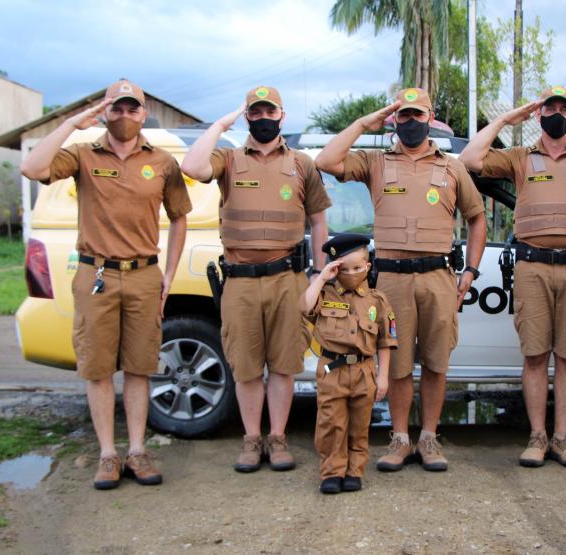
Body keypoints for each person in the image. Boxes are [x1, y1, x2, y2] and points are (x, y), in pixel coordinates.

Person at [21, 79, 192, 489]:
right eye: (117, 107)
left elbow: (180, 216)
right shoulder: (81, 154)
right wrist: (76, 122)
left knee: (138, 367)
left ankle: (136, 450)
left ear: (143, 111)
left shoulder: (163, 162)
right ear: (106, 111)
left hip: (144, 275)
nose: (125, 115)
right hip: (94, 273)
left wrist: (168, 275)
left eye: (132, 108)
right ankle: (107, 455)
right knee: (98, 369)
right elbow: (32, 167)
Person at [315, 87, 487, 472]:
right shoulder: (376, 162)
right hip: (391, 280)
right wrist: (365, 122)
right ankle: (400, 439)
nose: (411, 122)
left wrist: (471, 270)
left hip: (437, 278)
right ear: (394, 119)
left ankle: (428, 438)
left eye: (417, 115)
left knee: (436, 361)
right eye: (403, 116)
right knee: (397, 364)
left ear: (431, 118)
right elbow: (327, 160)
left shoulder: (452, 166)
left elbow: (477, 217)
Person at [459, 85, 566, 469]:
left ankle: (563, 439)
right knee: (534, 356)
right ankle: (537, 437)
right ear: (539, 114)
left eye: (564, 108)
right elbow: (469, 158)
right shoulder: (519, 158)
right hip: (531, 267)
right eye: (550, 107)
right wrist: (504, 119)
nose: (556, 113)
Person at [181, 86, 330, 472]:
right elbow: (192, 167)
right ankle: (251, 439)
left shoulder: (302, 164)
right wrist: (219, 124)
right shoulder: (228, 160)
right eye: (256, 112)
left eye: (270, 112)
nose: (264, 118)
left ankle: (277, 439)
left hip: (288, 279)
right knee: (246, 366)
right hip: (241, 281)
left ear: (282, 115)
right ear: (247, 117)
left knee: (283, 365)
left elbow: (317, 220)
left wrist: (317, 273)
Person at [300, 233, 397, 494]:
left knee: (359, 425)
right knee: (332, 423)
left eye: (358, 268)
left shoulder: (377, 300)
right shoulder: (325, 293)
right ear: (336, 267)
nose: (352, 273)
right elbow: (304, 307)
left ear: (368, 267)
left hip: (365, 371)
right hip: (332, 370)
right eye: (346, 268)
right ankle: (332, 471)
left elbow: (385, 342)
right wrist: (321, 277)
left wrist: (383, 377)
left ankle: (354, 470)